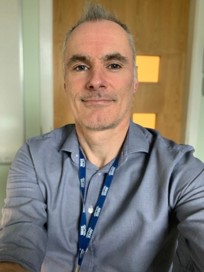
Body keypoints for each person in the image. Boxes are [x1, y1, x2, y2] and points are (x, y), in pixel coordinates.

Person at [0, 3, 204, 272]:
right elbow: (18, 242)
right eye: (81, 66)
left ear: (134, 80)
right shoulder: (34, 157)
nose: (96, 80)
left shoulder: (179, 170)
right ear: (65, 81)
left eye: (114, 64)